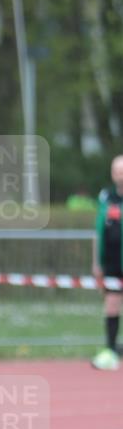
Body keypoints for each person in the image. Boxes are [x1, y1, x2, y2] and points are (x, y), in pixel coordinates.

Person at [91, 154, 123, 371]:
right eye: (117, 170)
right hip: (111, 263)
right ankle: (111, 349)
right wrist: (96, 263)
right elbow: (98, 231)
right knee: (111, 304)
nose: (120, 174)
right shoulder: (106, 197)